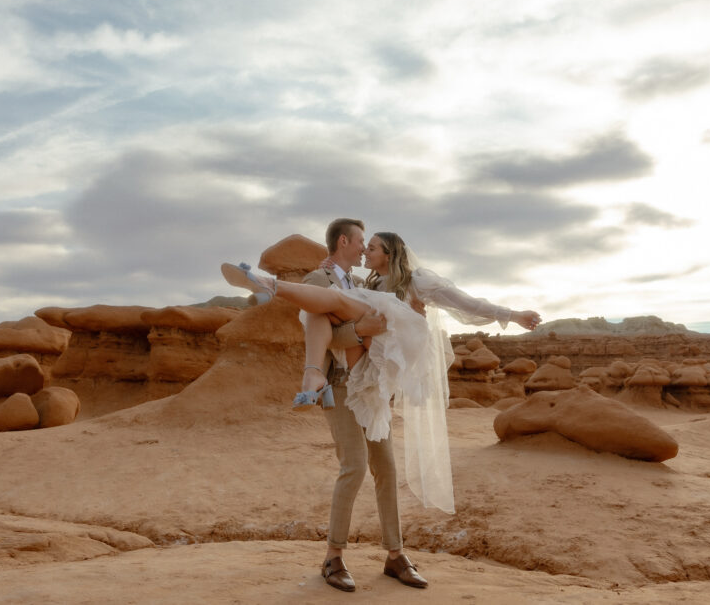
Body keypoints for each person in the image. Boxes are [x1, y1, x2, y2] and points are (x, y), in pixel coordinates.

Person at [220, 220, 541, 592]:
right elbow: (321, 331)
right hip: (341, 386)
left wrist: (512, 315)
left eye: (370, 246)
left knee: (385, 469)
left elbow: (462, 301)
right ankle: (333, 557)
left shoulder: (366, 286)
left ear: (388, 255)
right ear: (345, 241)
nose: (363, 250)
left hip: (374, 380)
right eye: (361, 242)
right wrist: (360, 332)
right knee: (355, 467)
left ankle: (395, 555)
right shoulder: (319, 280)